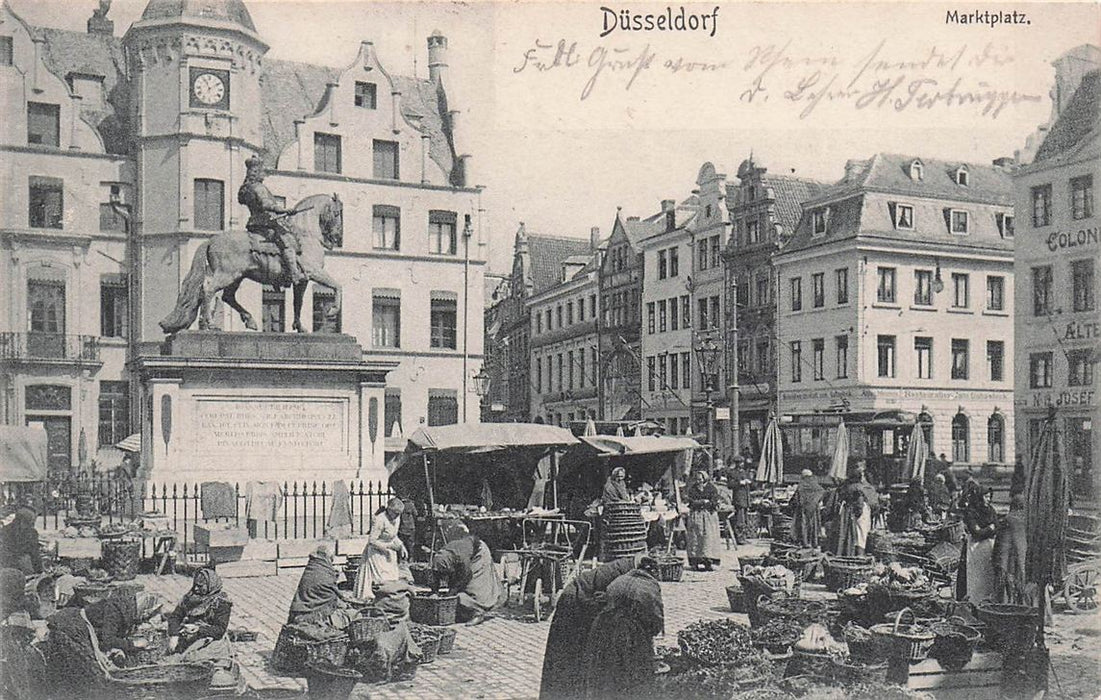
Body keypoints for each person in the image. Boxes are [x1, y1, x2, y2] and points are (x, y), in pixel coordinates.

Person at [539, 554, 643, 700]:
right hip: (572, 603)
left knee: (580, 660)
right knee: (565, 659)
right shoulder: (626, 576)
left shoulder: (628, 571)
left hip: (583, 602)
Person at [580, 556, 664, 700]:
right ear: (654, 573)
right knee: (629, 671)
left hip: (602, 627)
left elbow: (606, 599)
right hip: (627, 632)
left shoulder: (620, 579)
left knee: (603, 670)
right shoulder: (650, 586)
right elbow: (655, 619)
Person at [165, 568, 241, 691]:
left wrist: (198, 629)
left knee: (195, 662)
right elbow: (175, 617)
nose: (196, 589)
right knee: (173, 660)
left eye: (200, 587)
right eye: (195, 585)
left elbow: (219, 630)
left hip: (210, 638)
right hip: (189, 637)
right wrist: (174, 635)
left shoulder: (221, 603)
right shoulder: (190, 598)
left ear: (210, 585)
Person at [237, 154, 303, 285]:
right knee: (287, 241)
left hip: (253, 223)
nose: (264, 175)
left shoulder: (246, 188)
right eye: (262, 172)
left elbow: (242, 201)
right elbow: (266, 205)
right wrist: (286, 210)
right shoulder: (259, 187)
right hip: (265, 223)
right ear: (256, 172)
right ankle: (294, 273)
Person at [431, 527, 503, 625]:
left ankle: (478, 612)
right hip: (467, 554)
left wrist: (452, 591)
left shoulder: (461, 558)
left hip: (479, 552)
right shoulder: (441, 556)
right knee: (459, 590)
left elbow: (466, 576)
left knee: (474, 589)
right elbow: (437, 575)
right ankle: (465, 610)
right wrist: (435, 591)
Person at [354, 498, 409, 600]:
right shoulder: (380, 519)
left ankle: (389, 600)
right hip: (376, 554)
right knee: (380, 579)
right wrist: (387, 548)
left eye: (399, 514)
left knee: (392, 577)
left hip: (389, 553)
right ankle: (376, 599)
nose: (397, 516)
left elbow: (393, 535)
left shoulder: (397, 519)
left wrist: (401, 546)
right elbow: (372, 541)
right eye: (395, 513)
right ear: (389, 510)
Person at [288, 546, 355, 626]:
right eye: (331, 559)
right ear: (326, 558)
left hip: (299, 612)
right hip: (314, 616)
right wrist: (346, 604)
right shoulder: (324, 574)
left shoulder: (312, 568)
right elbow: (331, 598)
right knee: (353, 615)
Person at [958, 488, 998, 603]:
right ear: (980, 497)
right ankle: (974, 600)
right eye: (986, 497)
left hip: (988, 547)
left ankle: (986, 600)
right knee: (975, 577)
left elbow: (997, 526)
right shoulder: (972, 511)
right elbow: (976, 532)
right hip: (975, 548)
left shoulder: (991, 510)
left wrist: (986, 530)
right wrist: (989, 529)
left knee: (987, 575)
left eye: (990, 497)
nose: (988, 500)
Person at [836, 462, 879, 556]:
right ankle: (860, 556)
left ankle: (847, 553)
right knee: (861, 535)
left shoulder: (847, 486)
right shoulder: (861, 487)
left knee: (849, 534)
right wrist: (859, 512)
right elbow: (864, 502)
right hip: (860, 511)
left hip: (848, 511)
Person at [685, 468, 722, 571]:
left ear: (705, 479)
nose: (699, 482)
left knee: (708, 538)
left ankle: (708, 562)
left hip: (708, 516)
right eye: (697, 480)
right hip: (696, 516)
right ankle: (695, 562)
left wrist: (708, 503)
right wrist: (701, 502)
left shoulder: (711, 488)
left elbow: (715, 501)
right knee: (695, 538)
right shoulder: (692, 489)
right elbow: (690, 501)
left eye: (700, 479)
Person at [993, 494, 1028, 605]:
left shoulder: (1008, 520)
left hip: (1008, 557)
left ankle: (1007, 604)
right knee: (1021, 581)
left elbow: (1001, 542)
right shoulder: (1027, 519)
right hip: (1023, 557)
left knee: (1007, 581)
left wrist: (995, 558)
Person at [0, 507, 42, 575]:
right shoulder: (5, 532)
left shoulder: (32, 533)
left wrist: (39, 571)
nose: (31, 525)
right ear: (20, 521)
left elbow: (35, 554)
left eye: (33, 523)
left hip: (24, 566)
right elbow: (4, 553)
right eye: (29, 522)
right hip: (8, 566)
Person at [789, 469, 824, 549]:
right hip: (814, 510)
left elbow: (795, 498)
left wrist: (791, 505)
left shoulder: (802, 485)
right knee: (813, 525)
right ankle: (814, 542)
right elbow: (821, 491)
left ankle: (805, 542)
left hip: (803, 509)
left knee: (803, 525)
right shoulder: (815, 485)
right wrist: (817, 502)